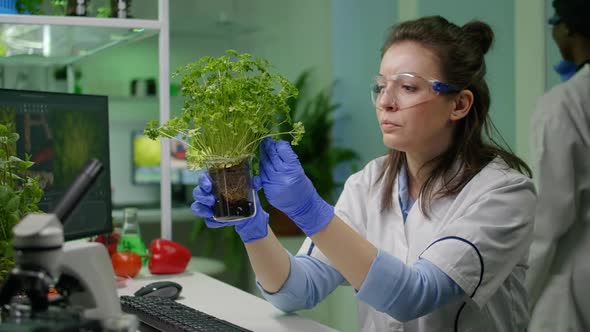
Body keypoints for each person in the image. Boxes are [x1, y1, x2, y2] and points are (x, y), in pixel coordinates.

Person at [192, 16, 536, 331]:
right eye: (381, 86)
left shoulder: (503, 192)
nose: (386, 101)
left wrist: (310, 213)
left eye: (408, 87)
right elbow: (295, 292)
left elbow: (414, 297)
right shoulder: (369, 182)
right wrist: (252, 227)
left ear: (459, 104)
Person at [525, 0, 590, 330]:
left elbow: (550, 219)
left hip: (573, 280)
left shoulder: (564, 104)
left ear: (568, 29)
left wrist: (518, 298)